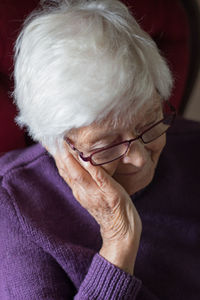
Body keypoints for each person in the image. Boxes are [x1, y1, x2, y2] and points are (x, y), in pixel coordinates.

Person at [0, 0, 199, 299]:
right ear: (55, 142)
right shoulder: (14, 207)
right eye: (108, 145)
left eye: (148, 124)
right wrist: (119, 244)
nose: (139, 158)